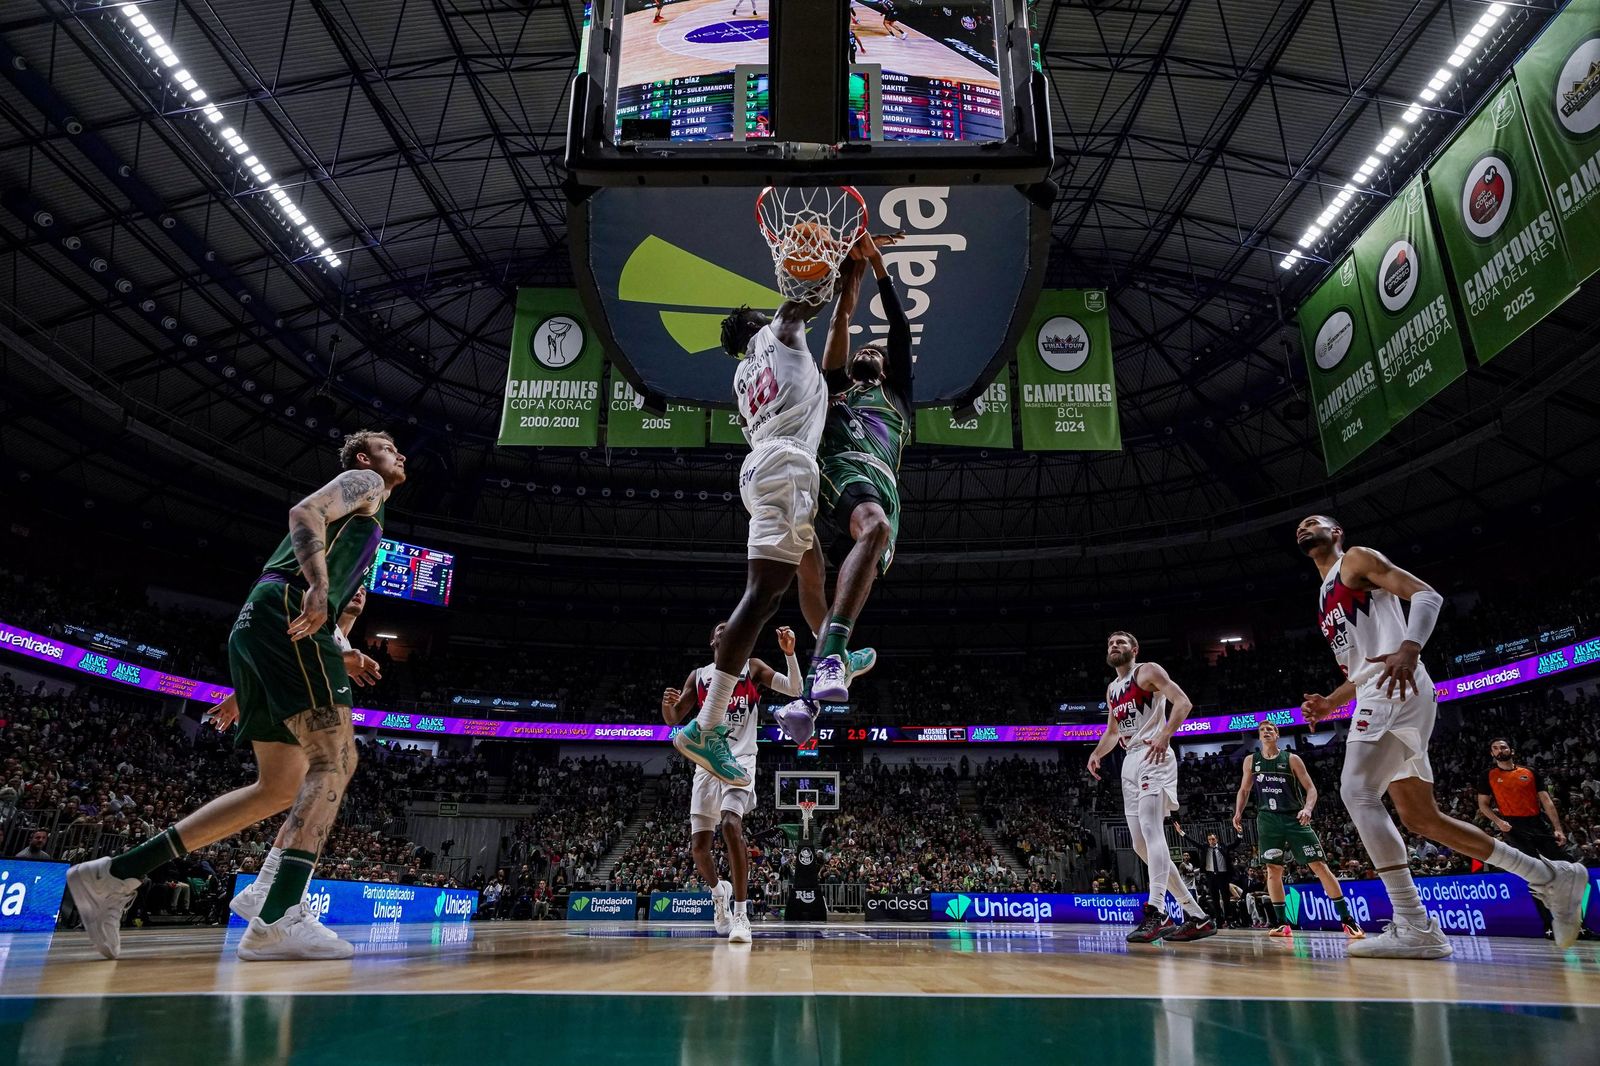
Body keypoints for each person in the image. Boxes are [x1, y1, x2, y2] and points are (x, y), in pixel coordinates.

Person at [66, 430, 406, 961]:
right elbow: (304, 512)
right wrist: (319, 585)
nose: (399, 455)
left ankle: (117, 873)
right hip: (286, 608)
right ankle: (276, 917)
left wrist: (327, 635)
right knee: (335, 760)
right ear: (365, 459)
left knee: (278, 786)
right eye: (388, 448)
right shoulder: (364, 483)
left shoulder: (362, 528)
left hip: (262, 624)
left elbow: (303, 622)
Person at [1296, 514, 1587, 956]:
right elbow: (1365, 665)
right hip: (1382, 688)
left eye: (1313, 522)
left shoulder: (1355, 560)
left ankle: (1413, 923)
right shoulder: (1322, 595)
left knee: (1357, 791)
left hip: (1395, 688)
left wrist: (1412, 648)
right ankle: (1549, 876)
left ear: (1336, 533)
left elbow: (1426, 595)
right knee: (1422, 818)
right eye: (1298, 526)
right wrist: (1331, 703)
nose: (1303, 527)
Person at [673, 281, 831, 786]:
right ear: (755, 324)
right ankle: (709, 722)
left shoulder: (743, 376)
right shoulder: (777, 333)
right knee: (763, 595)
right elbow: (802, 302)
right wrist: (841, 261)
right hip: (786, 465)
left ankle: (834, 654)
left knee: (812, 566)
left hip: (764, 465)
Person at [788, 231, 907, 714]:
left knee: (875, 531)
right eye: (866, 349)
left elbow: (897, 326)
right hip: (831, 473)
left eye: (877, 353)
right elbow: (842, 316)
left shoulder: (897, 397)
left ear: (887, 368)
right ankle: (832, 654)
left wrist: (876, 262)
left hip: (876, 479)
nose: (870, 352)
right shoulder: (835, 386)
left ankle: (811, 694)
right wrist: (852, 265)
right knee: (805, 558)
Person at [662, 623, 801, 943]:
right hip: (706, 765)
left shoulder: (752, 667)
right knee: (699, 849)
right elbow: (673, 719)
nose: (727, 628)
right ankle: (718, 894)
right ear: (713, 640)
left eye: (733, 627)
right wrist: (667, 705)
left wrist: (789, 654)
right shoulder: (699, 675)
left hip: (740, 761)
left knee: (730, 825)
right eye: (720, 628)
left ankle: (741, 914)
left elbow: (794, 688)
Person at [1086, 631, 1216, 944]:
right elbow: (1112, 730)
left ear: (1134, 649)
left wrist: (1166, 734)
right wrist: (1096, 753)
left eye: (1120, 641)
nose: (1114, 645)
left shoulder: (1148, 671)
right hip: (1129, 760)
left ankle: (1156, 910)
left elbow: (1183, 702)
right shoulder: (1112, 689)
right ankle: (1197, 916)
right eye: (1110, 643)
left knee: (1152, 831)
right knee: (1140, 846)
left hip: (1154, 753)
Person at [1231, 721, 1364, 939]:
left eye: (1269, 729)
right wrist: (1238, 812)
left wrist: (1308, 809)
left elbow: (1311, 788)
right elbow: (1244, 790)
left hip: (1294, 818)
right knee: (1273, 871)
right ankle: (1282, 923)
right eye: (1262, 730)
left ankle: (1347, 919)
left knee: (1319, 865)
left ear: (1277, 734)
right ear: (1259, 736)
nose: (1265, 732)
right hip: (1267, 820)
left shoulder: (1292, 759)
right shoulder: (1250, 761)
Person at [1478, 738, 1570, 938]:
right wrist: (1498, 821)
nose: (1499, 750)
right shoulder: (1488, 776)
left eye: (1503, 747)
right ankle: (1549, 925)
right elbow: (1483, 805)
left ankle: (1575, 923)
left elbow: (1546, 800)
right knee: (1535, 875)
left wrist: (1558, 828)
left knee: (1564, 870)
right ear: (1491, 754)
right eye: (1494, 748)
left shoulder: (1529, 772)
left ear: (1511, 750)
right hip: (1513, 827)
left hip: (1538, 823)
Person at [1196, 832, 1234, 925]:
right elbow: (1194, 843)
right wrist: (1182, 833)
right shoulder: (1206, 848)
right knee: (1215, 900)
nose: (1211, 841)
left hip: (1223, 875)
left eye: (1213, 839)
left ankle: (1229, 921)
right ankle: (1219, 921)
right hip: (1211, 876)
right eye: (1209, 839)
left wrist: (1240, 834)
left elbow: (1235, 844)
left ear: (1216, 839)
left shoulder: (1223, 847)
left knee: (1226, 899)